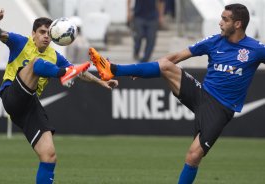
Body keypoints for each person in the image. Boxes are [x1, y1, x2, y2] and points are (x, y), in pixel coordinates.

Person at [89, 4, 265, 183]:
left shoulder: (256, 49)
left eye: (225, 19)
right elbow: (176, 57)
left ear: (238, 24)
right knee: (166, 66)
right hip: (201, 93)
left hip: (221, 108)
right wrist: (142, 69)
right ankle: (113, 69)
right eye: (221, 18)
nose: (220, 23)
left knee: (193, 156)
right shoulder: (214, 41)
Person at [0, 9, 118, 184]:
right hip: (11, 95)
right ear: (33, 33)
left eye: (49, 33)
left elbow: (79, 74)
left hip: (29, 105)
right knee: (36, 63)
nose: (46, 37)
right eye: (41, 32)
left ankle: (64, 73)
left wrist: (101, 82)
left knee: (49, 156)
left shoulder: (54, 55)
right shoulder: (20, 42)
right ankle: (62, 73)